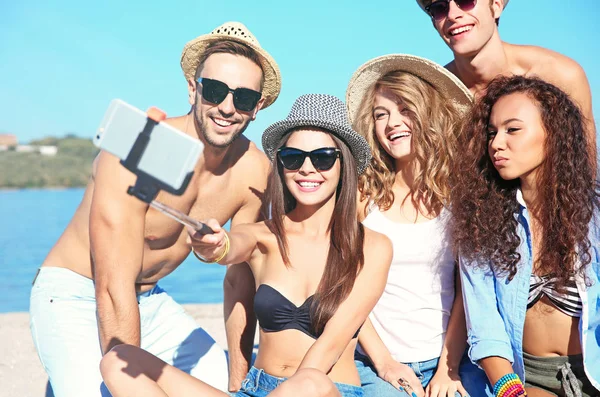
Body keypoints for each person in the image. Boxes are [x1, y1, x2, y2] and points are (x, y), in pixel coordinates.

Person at [29, 21, 280, 397]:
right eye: (215, 91)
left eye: (243, 98)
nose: (227, 108)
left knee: (216, 384)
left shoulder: (253, 170)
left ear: (257, 107)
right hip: (75, 292)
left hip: (149, 298)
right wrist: (124, 378)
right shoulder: (141, 146)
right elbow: (112, 287)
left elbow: (240, 279)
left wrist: (238, 381)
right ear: (193, 89)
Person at [99, 93, 393, 397]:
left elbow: (333, 343)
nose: (306, 168)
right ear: (281, 165)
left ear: (343, 164)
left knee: (310, 383)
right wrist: (209, 244)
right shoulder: (263, 237)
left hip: (324, 389)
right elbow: (227, 246)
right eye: (293, 157)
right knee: (118, 359)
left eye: (322, 158)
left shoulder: (373, 248)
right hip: (257, 390)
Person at [450, 75, 600, 396]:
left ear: (554, 133)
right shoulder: (481, 220)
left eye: (512, 130)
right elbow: (485, 321)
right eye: (492, 132)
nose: (496, 143)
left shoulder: (594, 212)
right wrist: (510, 390)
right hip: (525, 378)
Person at [345, 54, 482, 397]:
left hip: (453, 359)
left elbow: (467, 290)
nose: (393, 122)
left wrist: (448, 369)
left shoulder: (460, 194)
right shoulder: (363, 194)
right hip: (375, 361)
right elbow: (343, 284)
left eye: (405, 108)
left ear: (428, 113)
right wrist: (385, 363)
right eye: (381, 114)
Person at [416, 0, 596, 152]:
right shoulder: (433, 95)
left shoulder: (558, 76)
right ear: (434, 23)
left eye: (465, 0)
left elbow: (583, 171)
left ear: (496, 5)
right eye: (439, 7)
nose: (453, 15)